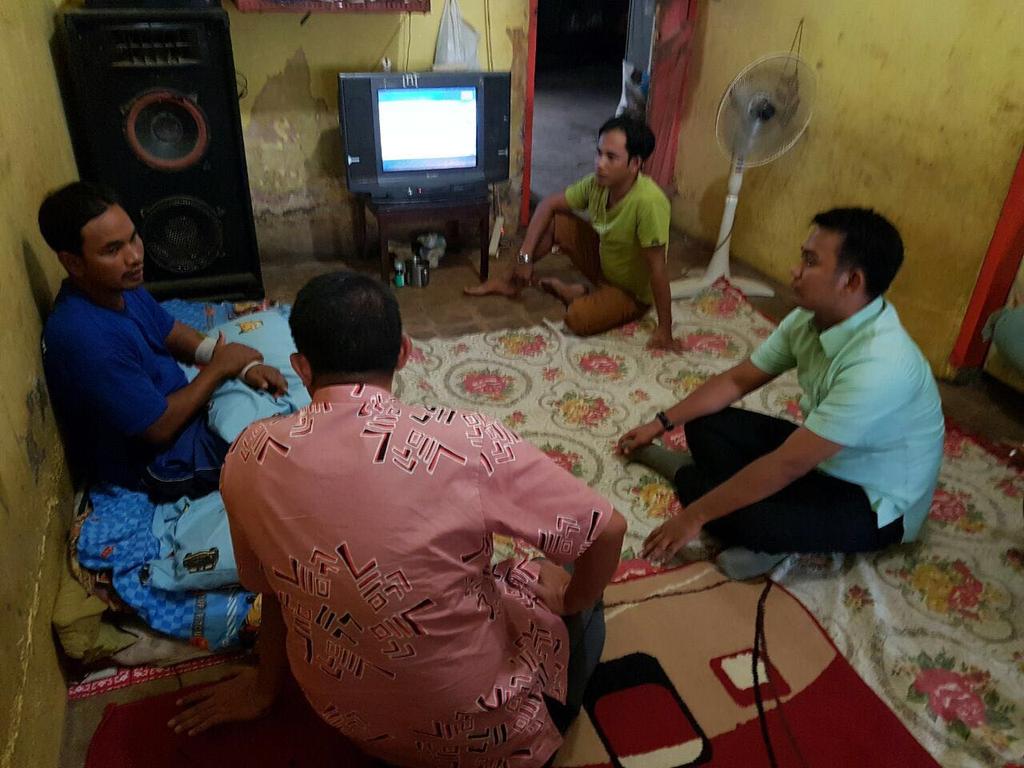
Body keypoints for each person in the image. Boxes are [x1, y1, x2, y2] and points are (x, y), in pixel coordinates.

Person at [169, 272, 627, 768]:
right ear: (405, 352)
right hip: (485, 733)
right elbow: (607, 529)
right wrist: (570, 598)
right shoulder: (467, 441)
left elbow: (269, 587)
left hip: (350, 721)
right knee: (566, 578)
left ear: (301, 367)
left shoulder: (248, 454)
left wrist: (264, 685)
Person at [617, 208, 944, 579]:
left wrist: (694, 516)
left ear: (851, 281)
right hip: (824, 457)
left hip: (874, 498)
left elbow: (787, 465)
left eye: (810, 261)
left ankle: (696, 483)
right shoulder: (810, 319)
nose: (795, 270)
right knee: (704, 424)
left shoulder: (880, 366)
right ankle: (742, 505)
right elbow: (738, 381)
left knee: (755, 518)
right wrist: (660, 424)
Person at [39, 181, 287, 500]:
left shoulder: (118, 287)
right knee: (290, 445)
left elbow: (171, 332)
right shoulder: (84, 337)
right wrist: (221, 368)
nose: (134, 257)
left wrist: (241, 365)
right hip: (163, 461)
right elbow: (158, 429)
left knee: (293, 375)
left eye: (133, 239)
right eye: (113, 250)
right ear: (72, 262)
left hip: (187, 405)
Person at [466, 114, 679, 349]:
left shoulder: (650, 202)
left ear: (636, 163)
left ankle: (579, 294)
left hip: (631, 292)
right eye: (599, 153)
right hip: (603, 263)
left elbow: (658, 270)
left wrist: (665, 329)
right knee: (554, 220)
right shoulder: (597, 184)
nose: (600, 163)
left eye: (611, 157)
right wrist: (524, 257)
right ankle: (508, 282)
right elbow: (548, 204)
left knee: (577, 318)